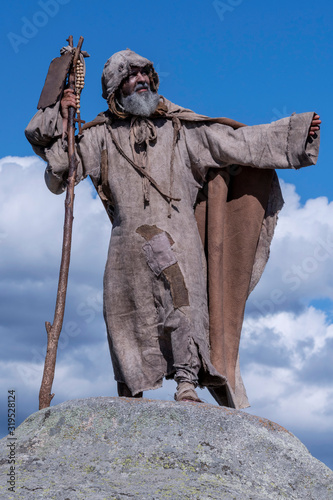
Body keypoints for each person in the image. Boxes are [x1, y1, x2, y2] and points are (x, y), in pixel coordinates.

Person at [25, 49, 321, 407]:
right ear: (116, 86)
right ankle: (131, 394)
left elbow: (239, 143)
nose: (143, 80)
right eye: (133, 75)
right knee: (126, 316)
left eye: (146, 73)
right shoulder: (99, 136)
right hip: (126, 247)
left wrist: (294, 133)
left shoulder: (183, 130)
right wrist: (59, 113)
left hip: (179, 239)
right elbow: (62, 170)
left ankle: (186, 384)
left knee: (184, 308)